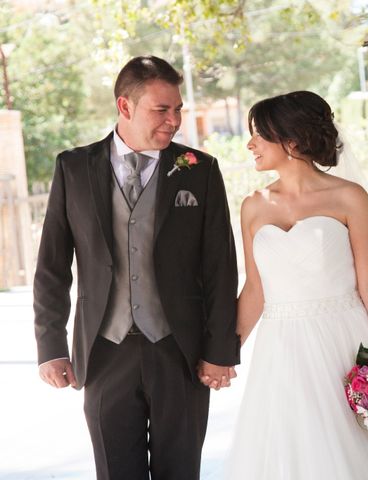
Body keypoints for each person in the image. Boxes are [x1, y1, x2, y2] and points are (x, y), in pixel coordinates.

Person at [225, 90, 368, 479]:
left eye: (259, 134)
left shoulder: (349, 198)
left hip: (344, 342)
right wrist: (223, 352)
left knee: (358, 451)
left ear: (293, 140)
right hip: (281, 349)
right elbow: (255, 290)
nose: (250, 144)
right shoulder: (253, 205)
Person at [33, 55, 239, 480]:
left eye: (177, 108)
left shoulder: (200, 170)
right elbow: (52, 265)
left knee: (180, 472)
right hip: (104, 351)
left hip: (179, 351)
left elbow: (221, 266)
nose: (174, 120)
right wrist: (50, 346)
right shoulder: (73, 167)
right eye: (161, 109)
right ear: (125, 107)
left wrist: (220, 350)